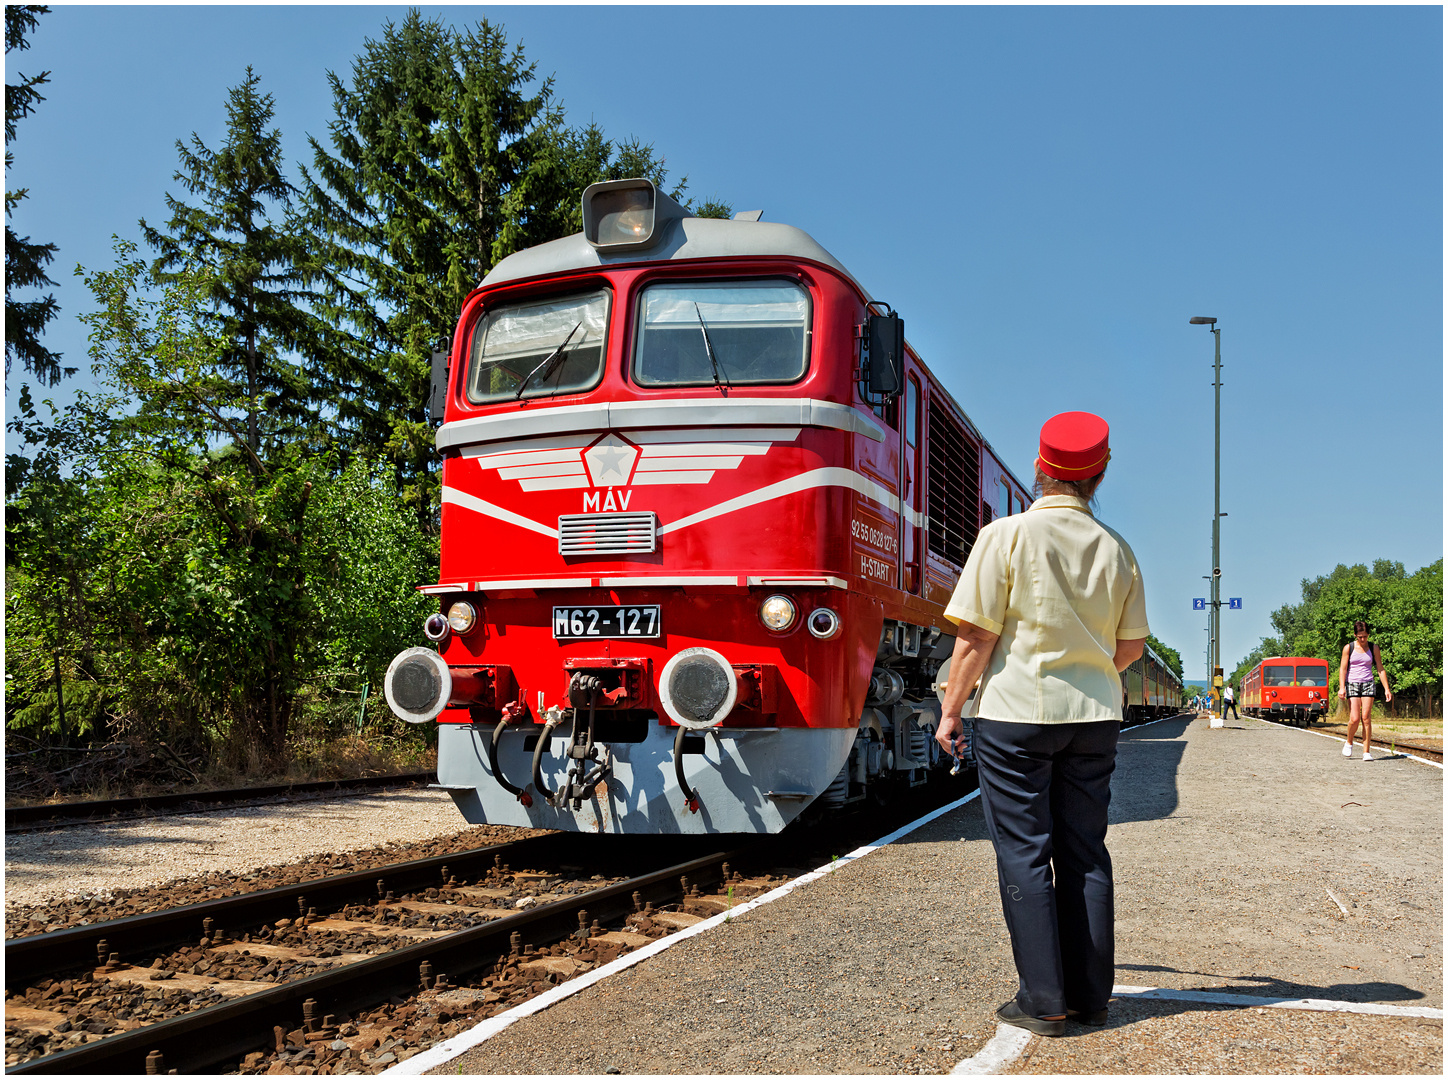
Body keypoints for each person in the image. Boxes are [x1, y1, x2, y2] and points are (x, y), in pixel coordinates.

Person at [936, 411, 1148, 1038]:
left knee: (1025, 854)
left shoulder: (1005, 537)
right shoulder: (1119, 550)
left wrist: (952, 710)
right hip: (1094, 721)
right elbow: (1130, 648)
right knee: (1085, 851)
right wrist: (1086, 672)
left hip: (1016, 718)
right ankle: (1091, 999)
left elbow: (976, 636)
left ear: (1040, 469)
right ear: (1100, 474)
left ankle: (1044, 1001)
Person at [1339, 621, 1392, 760]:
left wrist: (1387, 688)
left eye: (1365, 636)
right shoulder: (1348, 648)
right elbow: (1343, 669)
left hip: (1368, 683)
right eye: (1360, 637)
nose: (1363, 640)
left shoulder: (1373, 648)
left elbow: (1380, 668)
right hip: (1352, 683)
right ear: (1355, 635)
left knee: (1366, 718)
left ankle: (1366, 752)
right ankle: (1349, 742)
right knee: (1355, 718)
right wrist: (1341, 687)